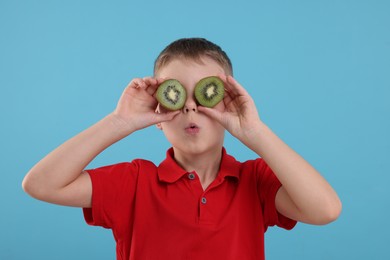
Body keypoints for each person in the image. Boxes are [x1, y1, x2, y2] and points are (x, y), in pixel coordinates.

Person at [22, 38, 342, 259]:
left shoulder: (254, 181)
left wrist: (255, 132)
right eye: (176, 94)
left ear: (227, 102)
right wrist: (120, 121)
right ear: (159, 115)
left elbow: (326, 210)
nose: (190, 107)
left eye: (205, 94)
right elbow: (40, 184)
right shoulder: (135, 182)